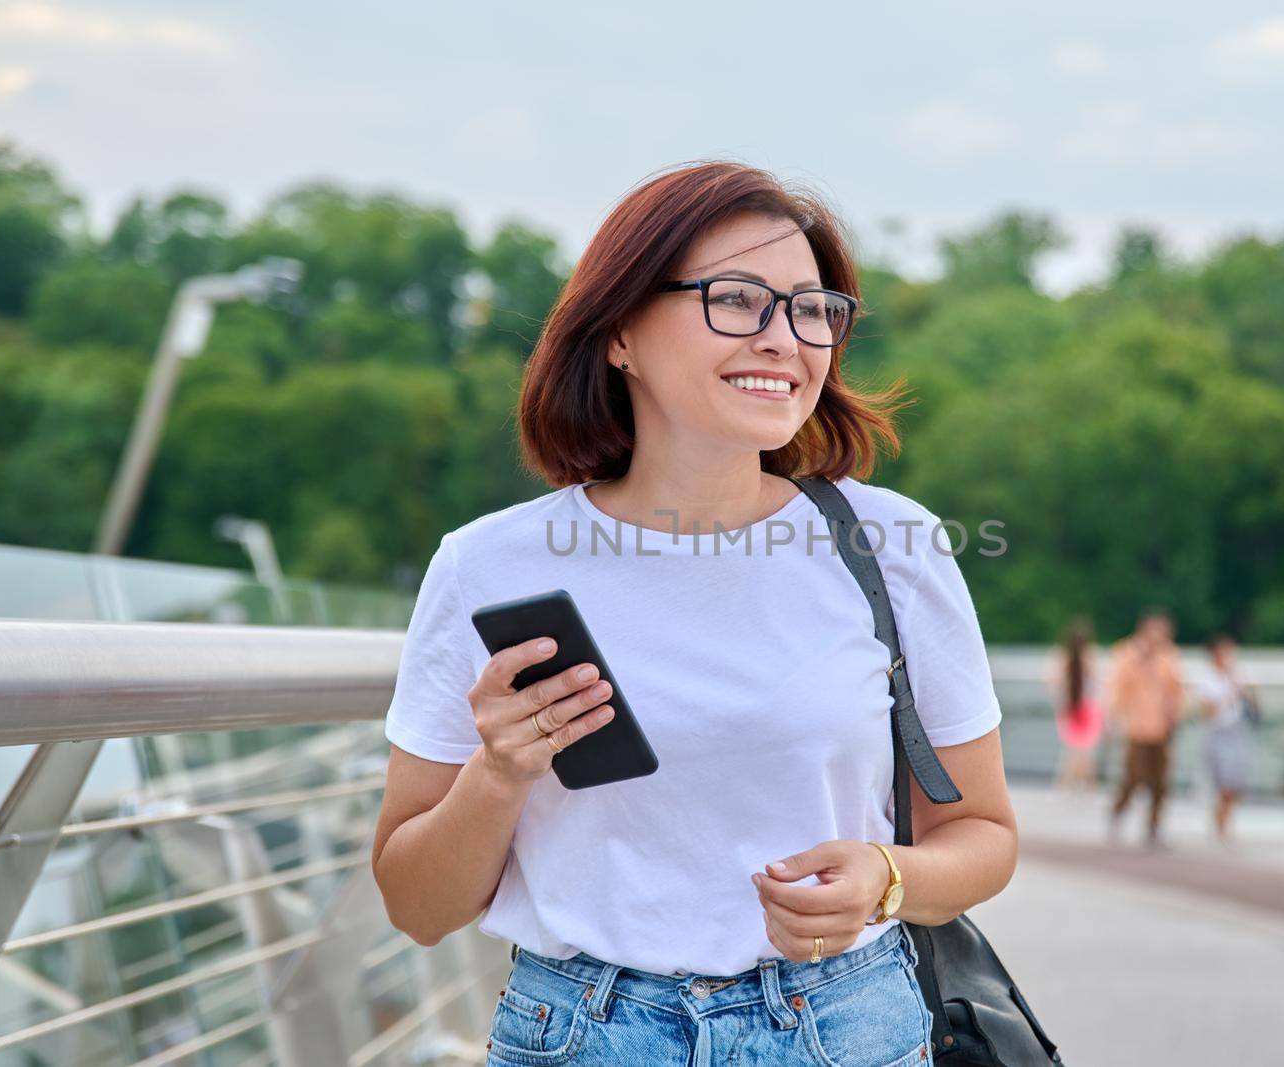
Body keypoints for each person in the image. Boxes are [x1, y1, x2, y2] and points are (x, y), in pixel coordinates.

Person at [370, 161, 1017, 1065]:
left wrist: (886, 878)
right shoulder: (488, 564)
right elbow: (416, 904)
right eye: (738, 299)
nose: (784, 339)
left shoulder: (892, 544)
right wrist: (499, 773)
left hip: (846, 1030)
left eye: (811, 309)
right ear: (621, 331)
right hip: (580, 1034)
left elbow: (983, 836)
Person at [1105, 608, 1184, 848]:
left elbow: (1176, 690)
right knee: (1133, 778)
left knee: (1161, 782)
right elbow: (1117, 689)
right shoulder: (1127, 653)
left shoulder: (1168, 656)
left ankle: (1154, 827)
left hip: (1161, 729)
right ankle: (1117, 815)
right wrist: (1114, 719)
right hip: (1136, 728)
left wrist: (1175, 715)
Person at [1198, 634, 1258, 842]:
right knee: (1224, 783)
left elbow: (1255, 706)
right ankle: (1220, 826)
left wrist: (1246, 691)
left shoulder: (1239, 675)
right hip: (1219, 734)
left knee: (1237, 784)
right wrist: (1230, 693)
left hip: (1238, 732)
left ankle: (1224, 821)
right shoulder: (1207, 680)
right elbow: (1208, 713)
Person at [1051, 617, 1103, 792]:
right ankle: (1088, 785)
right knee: (1086, 750)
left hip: (1071, 708)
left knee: (1072, 750)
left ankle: (1067, 784)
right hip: (1087, 708)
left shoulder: (1063, 657)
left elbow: (1054, 684)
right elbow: (1098, 683)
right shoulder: (1090, 656)